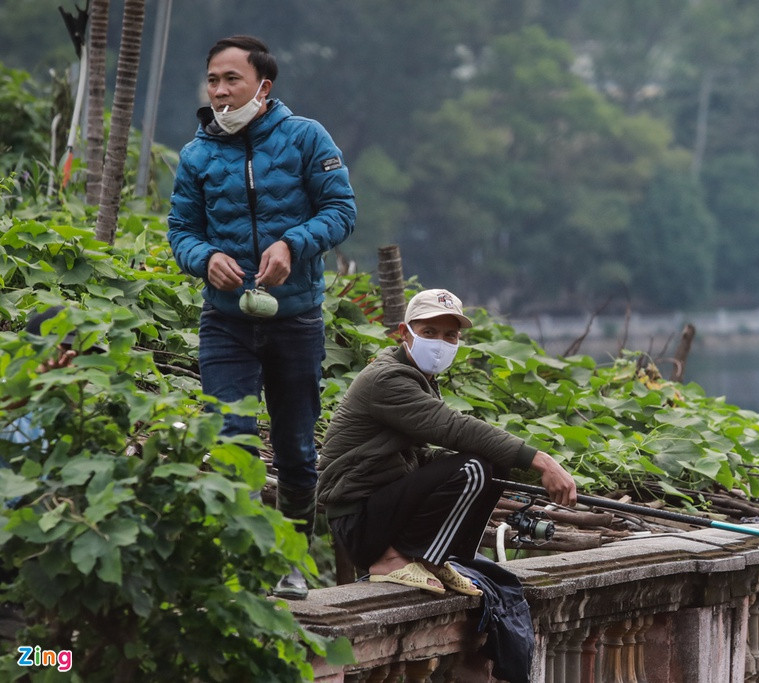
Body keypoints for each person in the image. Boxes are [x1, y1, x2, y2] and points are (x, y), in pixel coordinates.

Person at [167, 35, 356, 599]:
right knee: (231, 438)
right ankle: (244, 562)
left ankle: (290, 558)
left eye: (233, 80)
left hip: (296, 320)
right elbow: (181, 232)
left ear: (263, 87)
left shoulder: (306, 138)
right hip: (225, 321)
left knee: (298, 450)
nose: (221, 92)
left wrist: (293, 245)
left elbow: (342, 211)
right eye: (213, 81)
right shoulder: (196, 155)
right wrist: (206, 259)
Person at [317, 289, 577, 595]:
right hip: (357, 519)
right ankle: (393, 560)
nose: (440, 342)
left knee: (492, 464)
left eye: (450, 335)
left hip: (382, 509)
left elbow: (420, 456)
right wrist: (540, 461)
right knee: (475, 467)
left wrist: (514, 465)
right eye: (429, 332)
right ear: (405, 333)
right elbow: (452, 427)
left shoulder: (421, 377)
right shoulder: (388, 379)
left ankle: (434, 560)